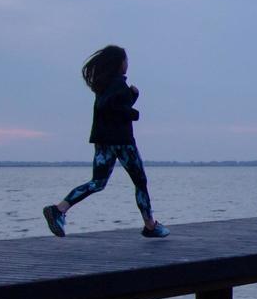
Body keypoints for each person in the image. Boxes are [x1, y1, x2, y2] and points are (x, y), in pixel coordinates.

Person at [43, 45, 168, 238]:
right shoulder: (117, 83)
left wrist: (132, 96)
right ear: (119, 63)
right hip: (122, 141)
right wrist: (134, 112)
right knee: (140, 181)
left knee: (98, 182)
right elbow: (110, 108)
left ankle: (59, 209)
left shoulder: (104, 85)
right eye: (126, 60)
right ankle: (150, 226)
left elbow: (113, 106)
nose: (128, 64)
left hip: (103, 140)